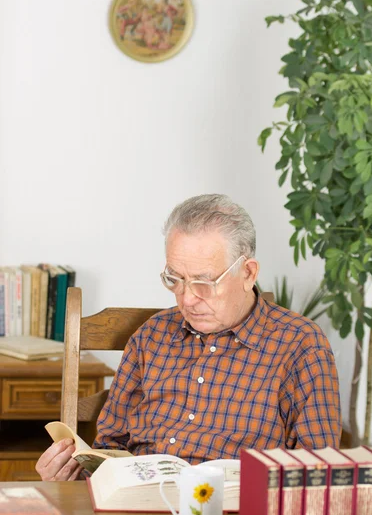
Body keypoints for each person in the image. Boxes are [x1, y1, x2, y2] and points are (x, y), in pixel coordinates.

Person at [36, 194, 341, 481]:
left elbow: (316, 473)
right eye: (175, 279)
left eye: (204, 282)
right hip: (136, 509)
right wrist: (69, 473)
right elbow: (108, 448)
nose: (187, 299)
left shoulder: (300, 345)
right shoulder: (152, 336)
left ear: (248, 273)